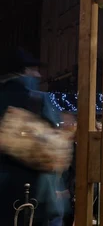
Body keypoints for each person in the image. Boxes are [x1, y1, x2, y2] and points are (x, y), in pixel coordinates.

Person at [0, 48, 62, 226]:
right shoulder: (37, 100)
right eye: (34, 69)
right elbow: (55, 152)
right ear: (24, 71)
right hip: (31, 195)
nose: (39, 74)